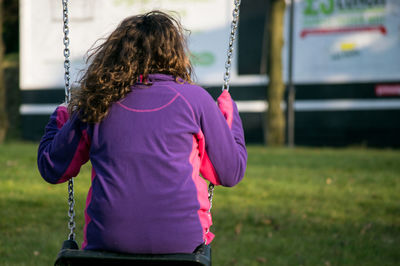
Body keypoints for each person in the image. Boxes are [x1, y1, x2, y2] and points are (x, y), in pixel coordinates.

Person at [37, 10, 247, 254]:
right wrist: (230, 117)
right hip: (181, 244)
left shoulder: (98, 102)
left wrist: (61, 117)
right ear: (176, 53)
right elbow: (229, 172)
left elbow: (53, 167)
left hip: (107, 244)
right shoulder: (196, 100)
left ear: (116, 54)